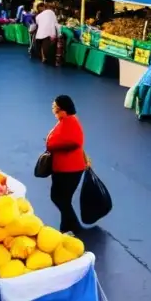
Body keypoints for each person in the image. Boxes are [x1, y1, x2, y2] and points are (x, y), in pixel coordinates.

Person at [45, 95, 86, 234]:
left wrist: (52, 145)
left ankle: (74, 227)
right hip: (66, 168)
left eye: (55, 107)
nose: (53, 110)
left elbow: (74, 142)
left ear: (63, 110)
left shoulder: (69, 123)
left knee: (58, 197)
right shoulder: (66, 121)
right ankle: (66, 227)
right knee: (63, 199)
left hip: (69, 170)